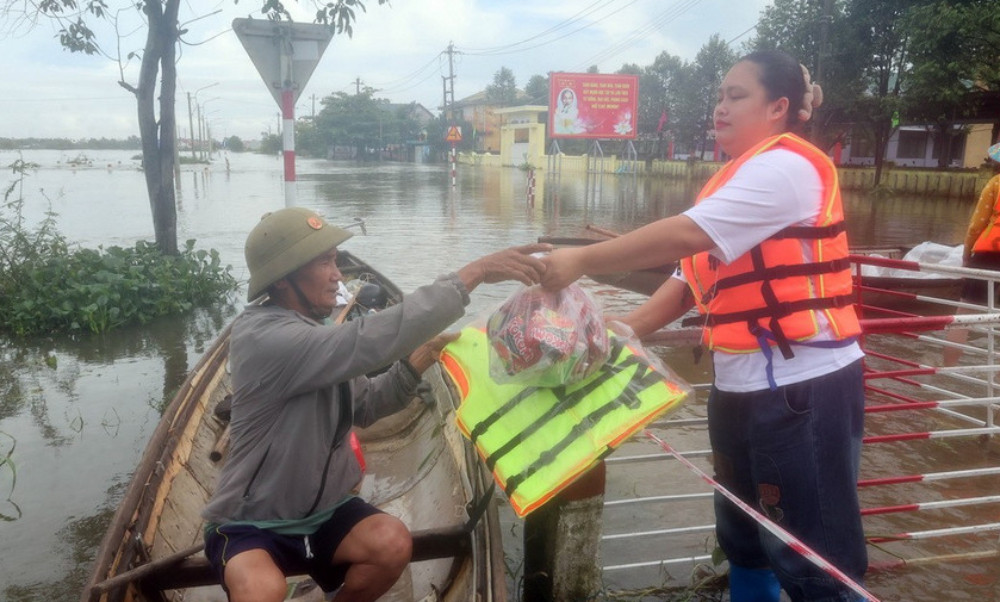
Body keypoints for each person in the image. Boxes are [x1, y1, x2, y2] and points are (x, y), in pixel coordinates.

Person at [540, 50, 866, 602]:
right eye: (719, 95)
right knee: (744, 535)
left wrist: (581, 260)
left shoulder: (788, 167)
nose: (720, 107)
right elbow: (693, 274)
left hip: (802, 388)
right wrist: (634, 325)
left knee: (815, 556)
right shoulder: (728, 181)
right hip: (737, 385)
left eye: (736, 96)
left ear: (779, 106)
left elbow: (688, 235)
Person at [201, 206, 549, 602]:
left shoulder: (319, 333)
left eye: (336, 261)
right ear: (282, 281)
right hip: (252, 522)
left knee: (392, 543)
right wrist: (475, 274)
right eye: (324, 263)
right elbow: (368, 340)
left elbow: (367, 405)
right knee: (263, 589)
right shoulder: (265, 338)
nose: (338, 275)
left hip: (324, 514)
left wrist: (423, 357)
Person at [943, 143, 1000, 366]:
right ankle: (997, 380)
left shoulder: (995, 184)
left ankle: (948, 370)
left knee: (964, 316)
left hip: (989, 252)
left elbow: (977, 225)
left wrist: (967, 254)